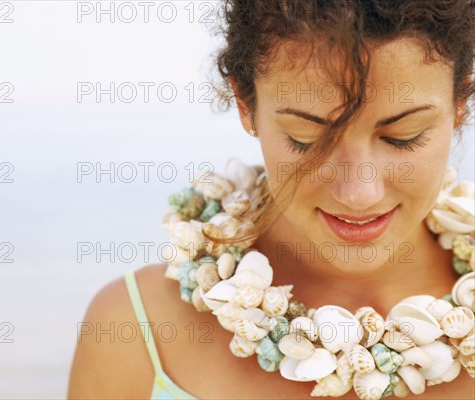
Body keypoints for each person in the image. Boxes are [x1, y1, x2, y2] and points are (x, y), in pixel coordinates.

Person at [68, 1, 475, 398]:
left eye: (404, 137)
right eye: (308, 139)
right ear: (246, 105)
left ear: (461, 99)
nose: (358, 194)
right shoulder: (136, 331)